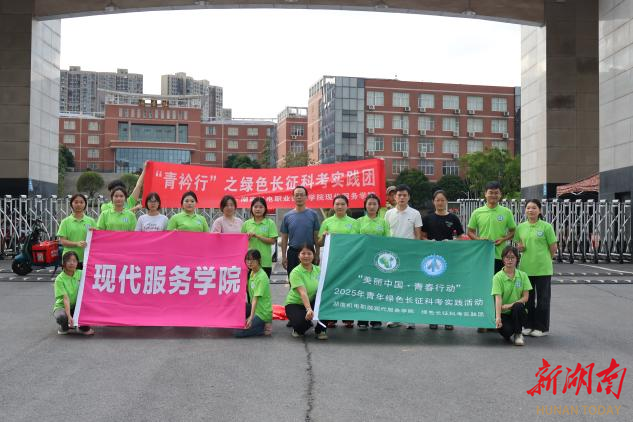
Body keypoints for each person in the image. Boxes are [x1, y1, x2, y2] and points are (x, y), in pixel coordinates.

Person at [467, 181, 516, 333]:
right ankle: (483, 320)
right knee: (484, 288)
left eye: (496, 192)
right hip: (483, 258)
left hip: (500, 258)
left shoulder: (506, 212)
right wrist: (479, 239)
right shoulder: (478, 212)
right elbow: (470, 231)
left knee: (498, 290)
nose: (493, 195)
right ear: (485, 194)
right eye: (490, 192)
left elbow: (513, 231)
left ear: (500, 195)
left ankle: (496, 319)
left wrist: (503, 239)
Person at [422, 189, 464, 331]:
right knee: (433, 289)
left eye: (442, 200)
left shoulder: (453, 218)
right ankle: (433, 318)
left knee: (448, 288)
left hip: (449, 258)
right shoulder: (427, 218)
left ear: (446, 201)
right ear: (433, 202)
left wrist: (450, 242)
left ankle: (448, 319)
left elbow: (460, 237)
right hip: (431, 259)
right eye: (437, 200)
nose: (440, 202)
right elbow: (422, 237)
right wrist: (429, 242)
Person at [515, 199, 557, 337]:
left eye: (534, 208)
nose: (531, 210)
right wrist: (520, 248)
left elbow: (553, 247)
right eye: (528, 208)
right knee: (528, 299)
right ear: (525, 210)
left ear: (539, 210)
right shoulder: (521, 227)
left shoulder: (546, 227)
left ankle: (541, 328)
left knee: (543, 299)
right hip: (526, 268)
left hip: (543, 269)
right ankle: (528, 325)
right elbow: (519, 245)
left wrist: (546, 259)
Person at [384, 184, 423, 329]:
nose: (401, 197)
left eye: (404, 195)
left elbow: (418, 235)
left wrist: (415, 253)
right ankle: (394, 318)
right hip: (392, 256)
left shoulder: (415, 213)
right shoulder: (388, 214)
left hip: (409, 255)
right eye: (399, 195)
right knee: (394, 286)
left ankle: (409, 318)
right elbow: (385, 234)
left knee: (409, 286)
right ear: (395, 197)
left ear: (408, 197)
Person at [318, 195, 358, 328]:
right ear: (333, 206)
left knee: (349, 289)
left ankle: (348, 317)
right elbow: (319, 243)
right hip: (331, 261)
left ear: (347, 206)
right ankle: (331, 317)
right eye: (337, 204)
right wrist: (324, 237)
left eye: (342, 204)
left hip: (349, 261)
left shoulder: (354, 223)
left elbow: (357, 242)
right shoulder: (327, 222)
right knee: (331, 289)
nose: (340, 206)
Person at [356, 193, 390, 330]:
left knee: (376, 289)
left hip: (378, 261)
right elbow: (353, 240)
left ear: (378, 206)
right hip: (362, 260)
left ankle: (376, 319)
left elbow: (388, 240)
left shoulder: (383, 222)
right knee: (363, 289)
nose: (371, 206)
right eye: (369, 204)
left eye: (374, 204)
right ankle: (362, 319)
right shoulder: (359, 221)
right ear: (365, 206)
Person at [284, 244, 329, 340]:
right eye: (303, 253)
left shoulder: (318, 270)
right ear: (298, 255)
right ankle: (301, 326)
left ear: (314, 255)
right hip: (295, 304)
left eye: (309, 253)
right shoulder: (295, 272)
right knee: (300, 325)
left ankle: (321, 330)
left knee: (328, 303)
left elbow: (326, 287)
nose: (306, 256)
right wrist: (309, 309)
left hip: (312, 301)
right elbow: (302, 293)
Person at [492, 246, 532, 346]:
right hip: (504, 313)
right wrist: (498, 317)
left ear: (517, 259)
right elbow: (498, 298)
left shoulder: (523, 275)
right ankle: (512, 330)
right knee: (507, 332)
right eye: (507, 257)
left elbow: (525, 297)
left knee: (518, 306)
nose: (510, 260)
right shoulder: (497, 277)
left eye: (512, 257)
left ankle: (518, 334)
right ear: (503, 259)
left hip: (518, 311)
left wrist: (510, 305)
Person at [280, 186, 320, 276]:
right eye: (297, 195)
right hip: (293, 253)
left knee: (310, 280)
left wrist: (317, 254)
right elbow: (284, 238)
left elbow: (316, 236)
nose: (299, 197)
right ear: (293, 197)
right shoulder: (287, 216)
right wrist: (283, 256)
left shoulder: (313, 215)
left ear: (306, 197)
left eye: (301, 195)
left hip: (309, 253)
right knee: (293, 279)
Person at [53, 251, 94, 335]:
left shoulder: (81, 273)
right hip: (62, 306)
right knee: (61, 317)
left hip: (77, 306)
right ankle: (64, 327)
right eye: (69, 261)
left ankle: (82, 327)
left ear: (77, 263)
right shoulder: (59, 279)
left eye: (74, 261)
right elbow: (65, 298)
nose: (72, 263)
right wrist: (68, 316)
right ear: (64, 263)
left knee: (87, 311)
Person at [234, 249, 273, 338]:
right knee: (236, 310)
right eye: (247, 260)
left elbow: (255, 298)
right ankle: (257, 324)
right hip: (254, 308)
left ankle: (263, 328)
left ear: (259, 260)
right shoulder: (252, 272)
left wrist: (251, 317)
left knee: (237, 332)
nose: (249, 262)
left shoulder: (261, 277)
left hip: (262, 313)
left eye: (253, 260)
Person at [57, 193, 97, 268]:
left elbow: (97, 239)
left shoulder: (91, 221)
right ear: (71, 204)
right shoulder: (65, 222)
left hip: (87, 258)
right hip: (69, 260)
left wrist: (94, 234)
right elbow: (63, 241)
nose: (78, 204)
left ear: (85, 204)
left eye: (81, 202)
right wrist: (76, 244)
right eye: (76, 202)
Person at [241, 197, 278, 278]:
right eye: (255, 207)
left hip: (264, 262)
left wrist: (257, 236)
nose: (258, 209)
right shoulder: (246, 224)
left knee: (263, 284)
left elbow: (272, 241)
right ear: (251, 208)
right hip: (250, 262)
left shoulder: (270, 223)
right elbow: (241, 243)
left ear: (265, 209)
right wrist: (247, 238)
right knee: (249, 285)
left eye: (261, 207)